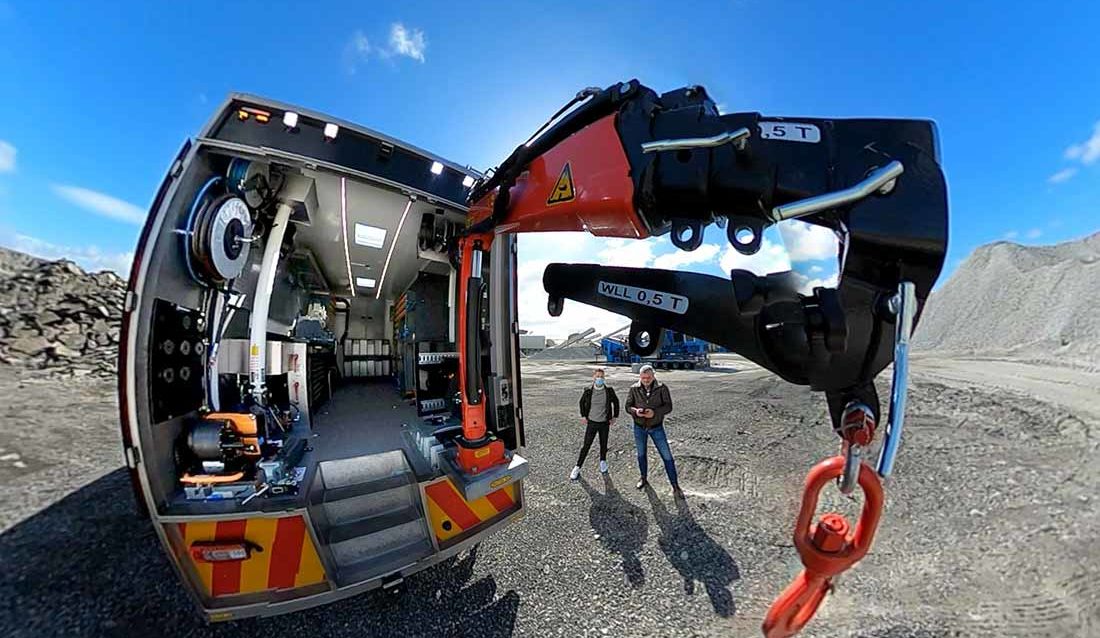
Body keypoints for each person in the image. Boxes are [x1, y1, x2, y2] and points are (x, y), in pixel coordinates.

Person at [625, 364, 684, 499]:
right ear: (640, 377)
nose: (646, 380)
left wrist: (655, 412)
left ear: (653, 376)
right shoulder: (634, 389)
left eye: (649, 377)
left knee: (667, 456)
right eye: (643, 378)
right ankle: (643, 478)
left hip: (656, 427)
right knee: (641, 454)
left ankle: (675, 485)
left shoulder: (662, 388)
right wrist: (636, 411)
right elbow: (627, 406)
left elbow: (668, 406)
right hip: (639, 427)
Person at [570, 368, 620, 480]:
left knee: (603, 444)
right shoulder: (588, 391)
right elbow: (581, 403)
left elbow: (616, 402)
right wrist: (583, 415)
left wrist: (615, 416)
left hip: (604, 423)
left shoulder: (609, 391)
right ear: (593, 377)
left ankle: (603, 461)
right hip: (592, 423)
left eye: (601, 377)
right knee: (586, 445)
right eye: (597, 376)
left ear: (604, 378)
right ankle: (577, 467)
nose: (599, 379)